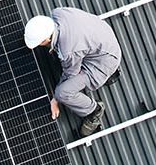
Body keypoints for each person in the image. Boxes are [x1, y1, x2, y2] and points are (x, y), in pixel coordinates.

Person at [25, 7, 121, 137]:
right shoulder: (58, 13)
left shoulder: (68, 51)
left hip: (105, 62)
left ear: (46, 38)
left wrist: (55, 99)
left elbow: (70, 74)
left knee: (62, 92)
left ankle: (94, 110)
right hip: (105, 39)